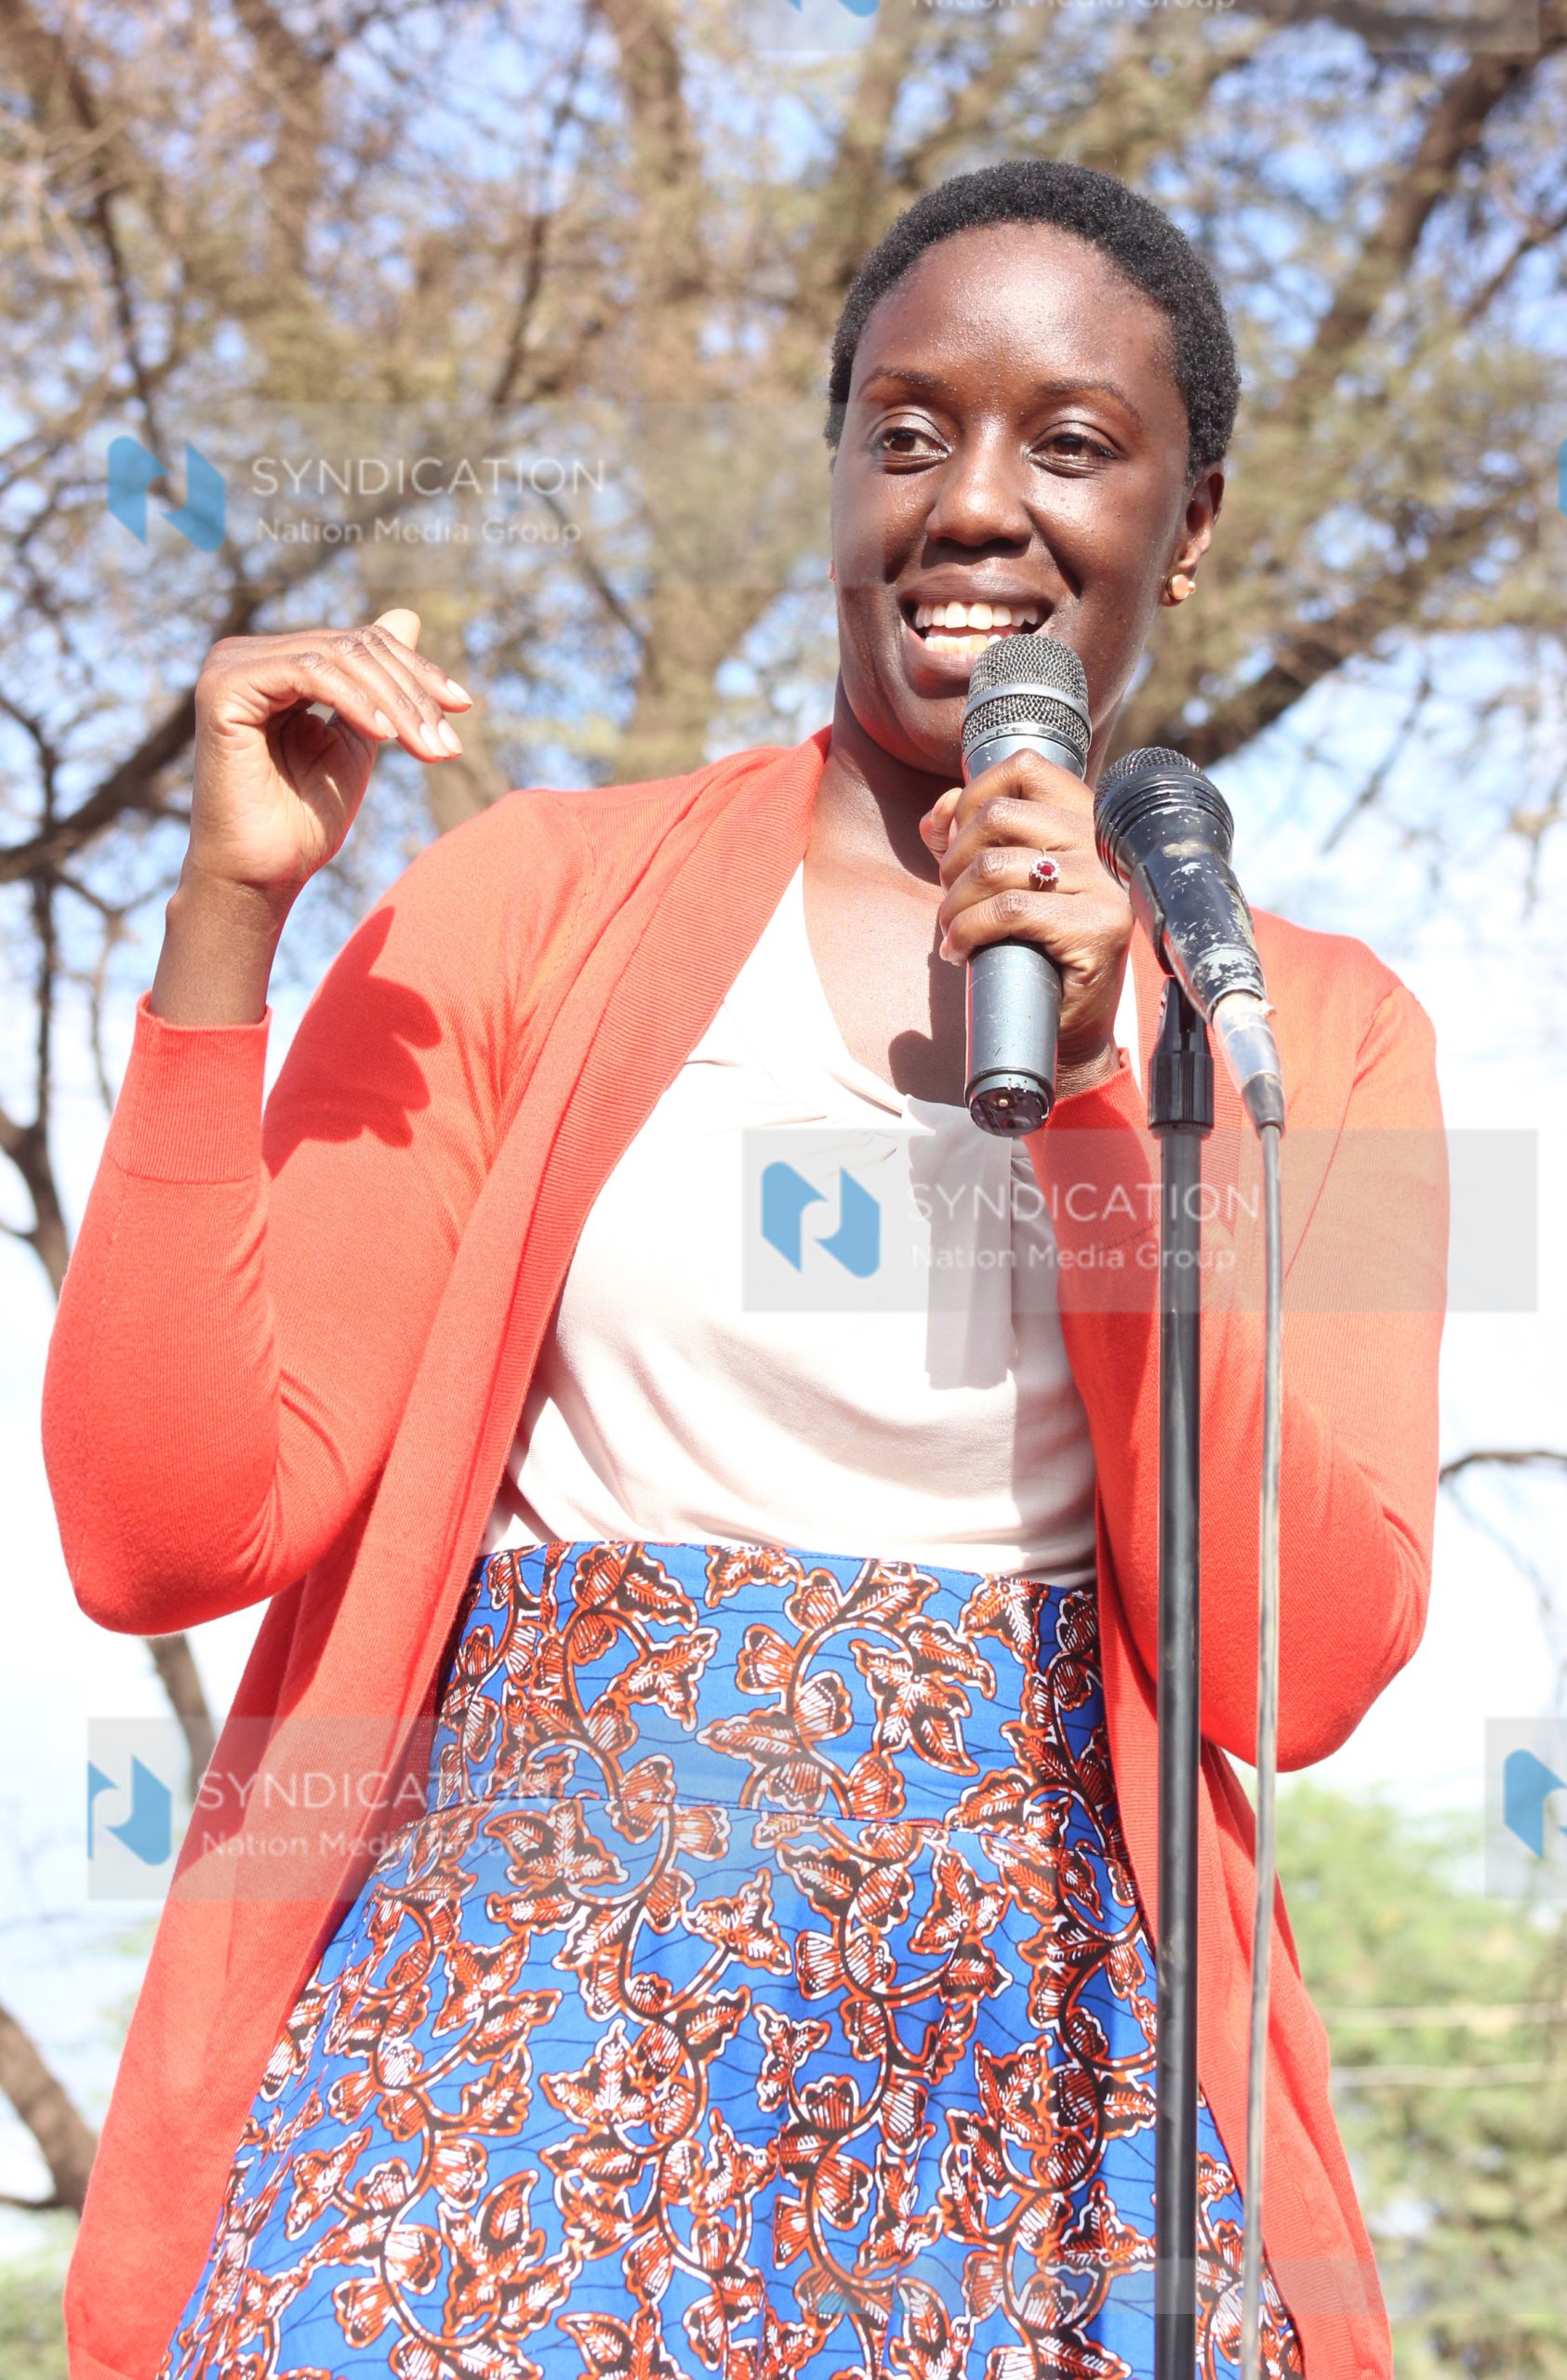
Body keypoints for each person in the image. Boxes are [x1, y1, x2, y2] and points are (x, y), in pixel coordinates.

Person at [43, 159, 1446, 2380]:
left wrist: (1103, 1092)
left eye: (1070, 441)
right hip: (511, 2052)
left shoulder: (1320, 1033)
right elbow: (161, 1528)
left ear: (1184, 522)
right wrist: (229, 922)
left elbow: (1309, 1658)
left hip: (1036, 2082)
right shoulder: (526, 901)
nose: (969, 501)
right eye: (906, 430)